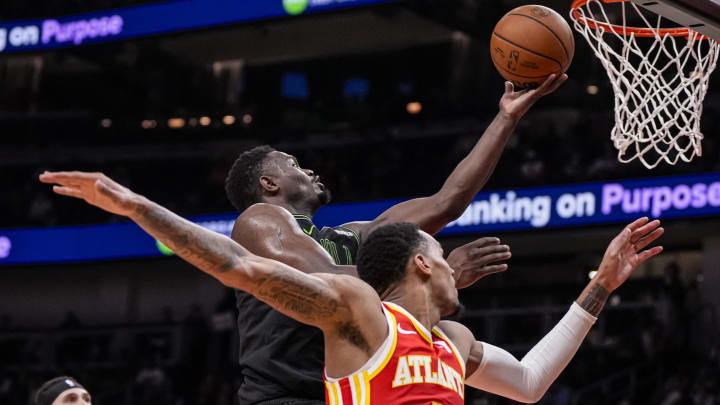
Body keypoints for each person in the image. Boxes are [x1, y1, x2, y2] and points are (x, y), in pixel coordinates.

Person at [39, 171, 663, 404]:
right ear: (420, 265)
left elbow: (529, 383)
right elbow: (241, 268)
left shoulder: (451, 342)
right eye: (442, 256)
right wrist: (137, 204)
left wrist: (600, 287)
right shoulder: (361, 312)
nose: (454, 267)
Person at [224, 74, 567, 403]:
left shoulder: (350, 236)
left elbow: (446, 202)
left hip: (348, 393)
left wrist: (506, 118)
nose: (309, 170)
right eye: (294, 164)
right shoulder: (258, 220)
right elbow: (323, 280)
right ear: (269, 184)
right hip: (285, 398)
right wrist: (435, 276)